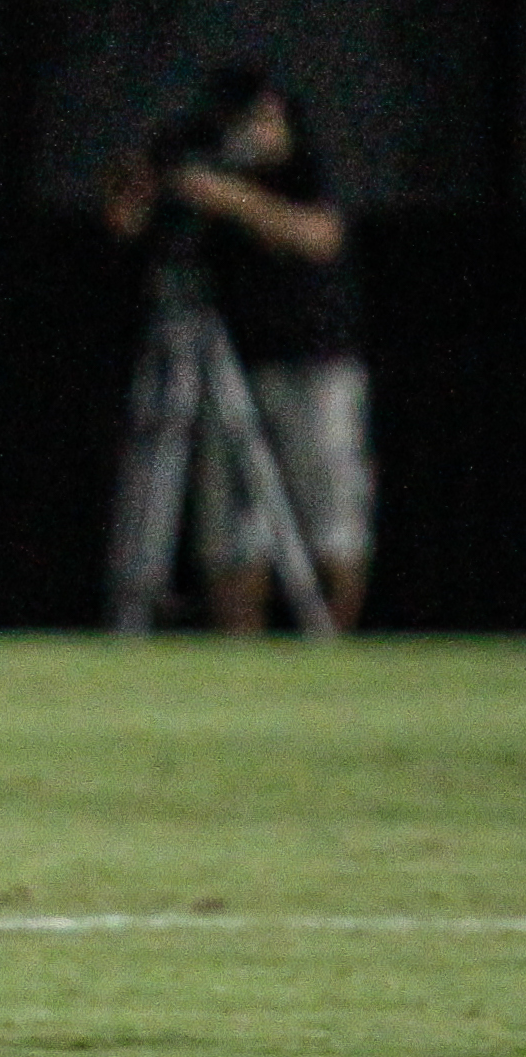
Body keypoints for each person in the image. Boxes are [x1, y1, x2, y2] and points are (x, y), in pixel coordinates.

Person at [100, 63, 369, 634]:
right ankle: (240, 661)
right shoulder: (195, 149)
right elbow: (124, 222)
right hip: (232, 360)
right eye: (251, 119)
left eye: (270, 118)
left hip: (313, 361)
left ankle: (334, 650)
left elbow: (322, 237)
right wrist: (141, 183)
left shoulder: (302, 162)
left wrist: (229, 198)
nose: (260, 133)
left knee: (330, 517)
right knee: (232, 528)